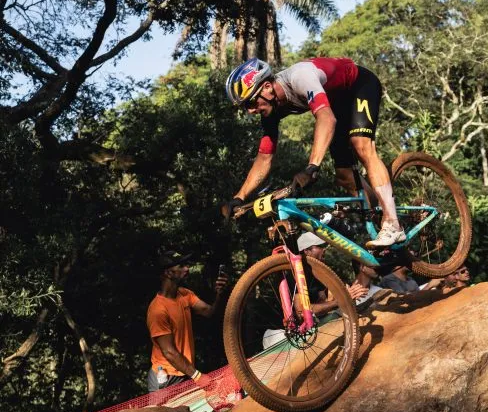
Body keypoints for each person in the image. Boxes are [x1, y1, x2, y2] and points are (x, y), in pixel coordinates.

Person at [222, 57, 405, 248]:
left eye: (251, 102)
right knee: (345, 176)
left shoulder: (300, 77)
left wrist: (312, 167)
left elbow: (326, 118)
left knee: (361, 144)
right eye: (246, 107)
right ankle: (380, 216)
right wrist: (239, 197)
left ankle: (393, 224)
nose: (250, 111)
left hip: (359, 86)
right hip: (336, 105)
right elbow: (264, 157)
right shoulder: (270, 109)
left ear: (267, 86)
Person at [147, 251, 226, 392]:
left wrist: (220, 293)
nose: (187, 269)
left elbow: (209, 312)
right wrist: (197, 376)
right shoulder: (157, 310)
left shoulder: (185, 294)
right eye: (181, 266)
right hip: (165, 377)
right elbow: (169, 352)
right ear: (168, 273)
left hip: (185, 371)